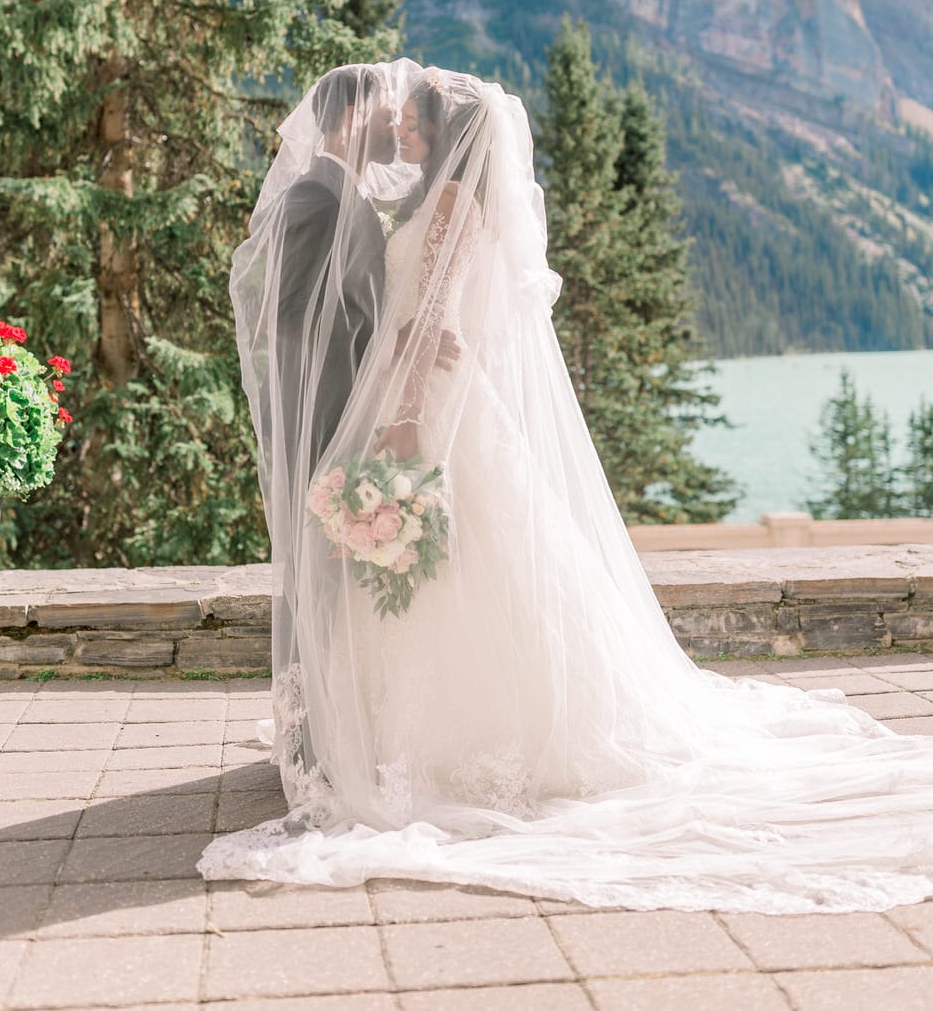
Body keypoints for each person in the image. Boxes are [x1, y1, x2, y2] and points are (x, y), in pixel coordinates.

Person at [201, 60, 933, 914]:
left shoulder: (442, 206)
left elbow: (434, 317)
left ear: (444, 134)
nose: (398, 126)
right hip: (432, 401)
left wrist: (401, 415)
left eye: (412, 119)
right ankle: (396, 731)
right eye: (393, 116)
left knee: (460, 564)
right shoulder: (426, 201)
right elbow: (413, 317)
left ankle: (441, 740)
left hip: (428, 412)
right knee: (468, 565)